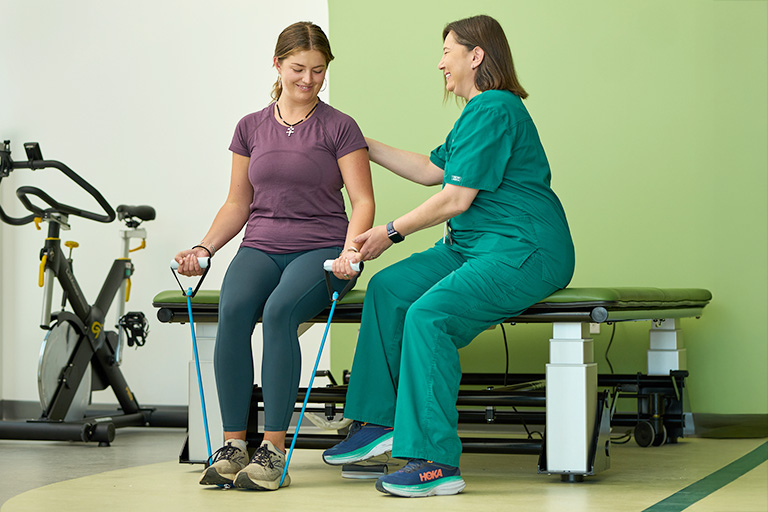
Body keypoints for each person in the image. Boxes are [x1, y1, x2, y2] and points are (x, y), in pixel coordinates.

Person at [321, 15, 574, 497]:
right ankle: (380, 421)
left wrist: (390, 231)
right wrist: (356, 140)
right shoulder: (475, 115)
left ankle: (436, 461)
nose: (440, 64)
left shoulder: (496, 108)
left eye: (447, 52)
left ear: (475, 56)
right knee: (389, 288)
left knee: (428, 316)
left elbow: (456, 199)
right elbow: (430, 170)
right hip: (471, 248)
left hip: (522, 250)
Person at [174, 21, 374, 491]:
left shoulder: (340, 127)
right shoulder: (250, 127)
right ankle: (231, 446)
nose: (308, 80)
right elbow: (237, 203)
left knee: (281, 310)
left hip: (324, 250)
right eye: (299, 69)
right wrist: (205, 247)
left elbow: (362, 201)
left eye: (319, 71)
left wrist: (351, 250)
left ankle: (272, 449)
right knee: (234, 307)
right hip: (262, 244)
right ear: (278, 65)